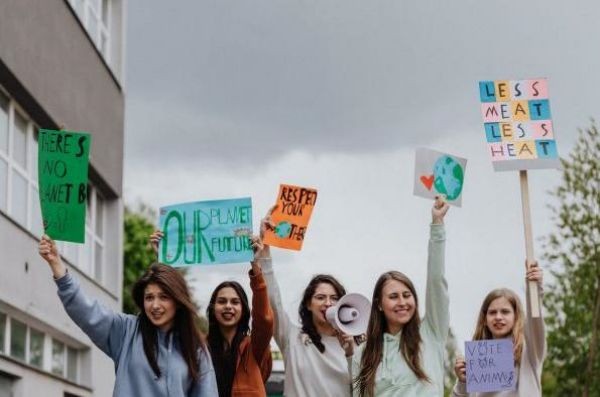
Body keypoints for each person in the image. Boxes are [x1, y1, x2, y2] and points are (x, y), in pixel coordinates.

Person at [38, 235, 218, 397]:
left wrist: (165, 260)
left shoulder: (196, 349)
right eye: (149, 297)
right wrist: (57, 265)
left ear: (178, 301)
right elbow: (86, 310)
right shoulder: (126, 332)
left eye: (164, 297)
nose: (155, 305)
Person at [150, 231, 274, 397]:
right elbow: (175, 315)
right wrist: (165, 263)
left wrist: (256, 267)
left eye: (235, 302)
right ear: (212, 308)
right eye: (222, 301)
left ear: (244, 310)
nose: (228, 306)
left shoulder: (254, 348)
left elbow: (264, 319)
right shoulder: (199, 348)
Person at [351, 196, 450, 396]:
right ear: (379, 304)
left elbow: (436, 281)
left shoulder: (430, 333)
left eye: (407, 295)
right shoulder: (363, 354)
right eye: (394, 296)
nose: (403, 302)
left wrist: (437, 225)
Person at [256, 206, 357, 397]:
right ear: (308, 305)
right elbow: (273, 303)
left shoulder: (355, 345)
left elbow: (364, 389)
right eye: (320, 297)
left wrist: (351, 353)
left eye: (334, 298)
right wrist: (265, 253)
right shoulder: (292, 337)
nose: (328, 303)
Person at [452, 261, 545, 397]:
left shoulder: (529, 351)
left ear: (516, 316)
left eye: (505, 312)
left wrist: (535, 289)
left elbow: (535, 322)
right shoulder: (479, 359)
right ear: (484, 319)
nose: (498, 317)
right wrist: (462, 382)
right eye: (492, 312)